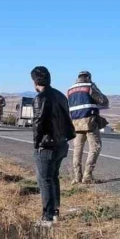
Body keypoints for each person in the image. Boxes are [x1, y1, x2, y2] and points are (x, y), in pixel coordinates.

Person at [31, 66, 75, 226]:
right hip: (61, 144)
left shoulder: (40, 98)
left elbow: (38, 124)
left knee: (45, 180)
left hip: (47, 146)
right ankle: (55, 212)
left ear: (35, 81)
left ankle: (47, 216)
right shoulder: (60, 96)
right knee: (53, 177)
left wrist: (36, 145)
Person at [67, 71, 109, 184]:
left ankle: (77, 177)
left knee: (77, 150)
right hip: (89, 121)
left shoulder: (70, 89)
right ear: (88, 77)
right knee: (95, 147)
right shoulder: (89, 86)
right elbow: (103, 101)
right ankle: (88, 175)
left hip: (75, 122)